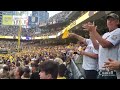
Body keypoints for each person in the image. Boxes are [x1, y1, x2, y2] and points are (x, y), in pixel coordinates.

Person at [83, 13, 120, 79]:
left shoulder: (118, 31)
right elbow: (97, 46)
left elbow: (105, 44)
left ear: (117, 22)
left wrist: (94, 31)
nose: (109, 21)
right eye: (108, 20)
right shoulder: (105, 34)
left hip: (111, 69)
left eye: (112, 20)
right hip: (101, 68)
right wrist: (91, 32)